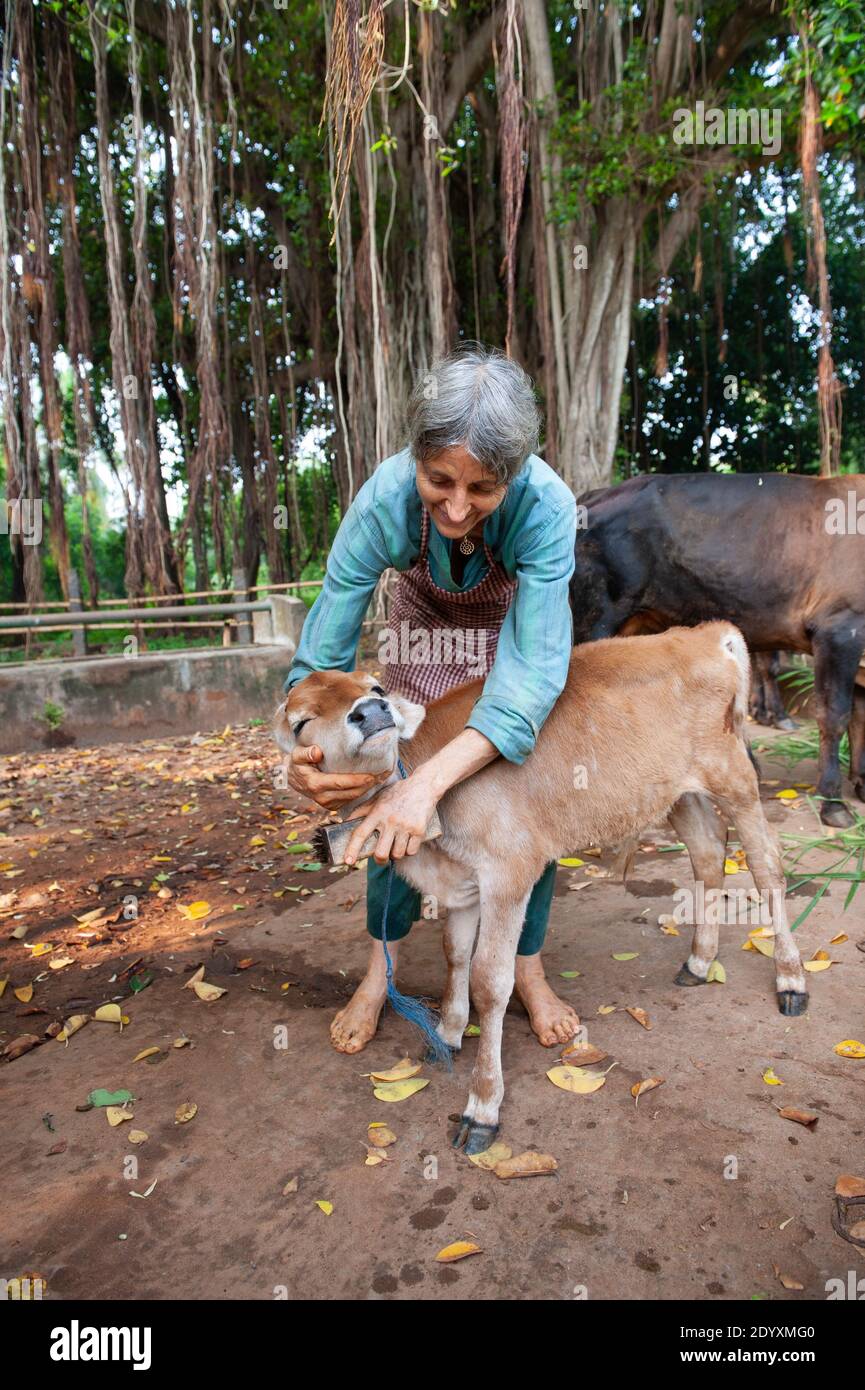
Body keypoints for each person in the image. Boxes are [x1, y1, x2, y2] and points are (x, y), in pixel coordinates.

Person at [283, 344, 579, 1054]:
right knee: (383, 784)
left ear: (513, 476)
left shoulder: (547, 509)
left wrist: (429, 788)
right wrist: (309, 753)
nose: (454, 508)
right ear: (413, 458)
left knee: (521, 802)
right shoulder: (383, 499)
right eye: (437, 479)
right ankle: (378, 970)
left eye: (481, 491)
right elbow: (322, 659)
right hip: (419, 635)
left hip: (506, 638)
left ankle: (526, 970)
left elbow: (533, 674)